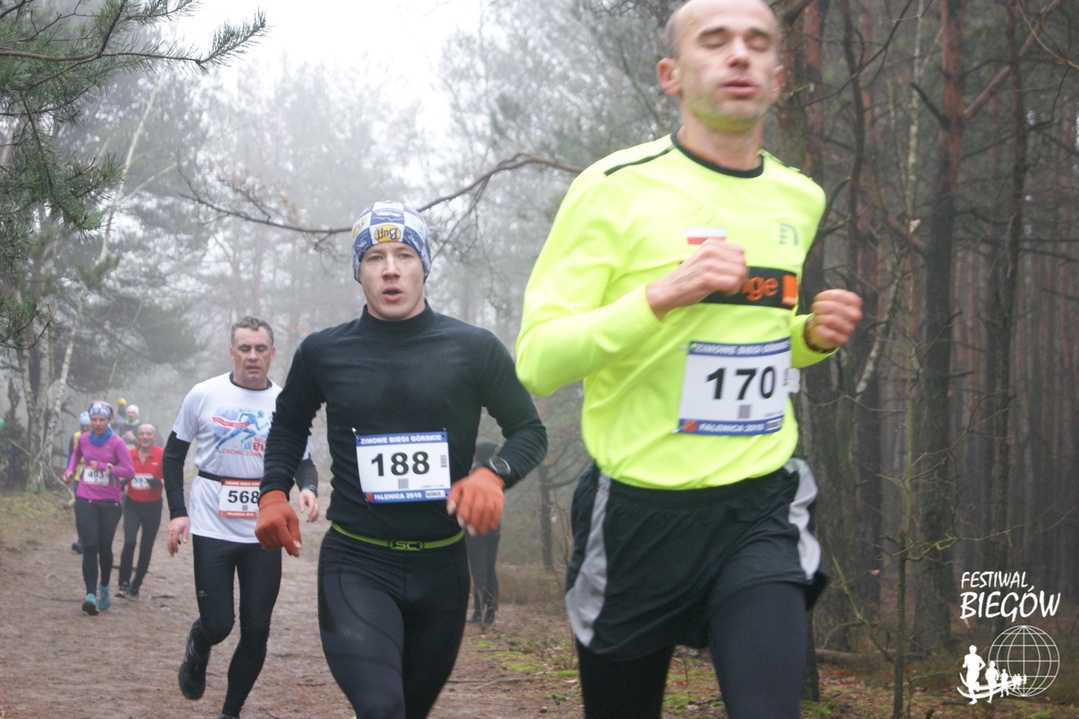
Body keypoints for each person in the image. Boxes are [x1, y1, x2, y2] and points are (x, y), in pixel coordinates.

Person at [514, 1, 864, 717]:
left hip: (758, 503)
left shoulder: (798, 198)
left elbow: (749, 336)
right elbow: (539, 360)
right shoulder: (613, 188)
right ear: (670, 75)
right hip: (637, 515)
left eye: (757, 42)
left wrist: (808, 337)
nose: (738, 55)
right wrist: (659, 295)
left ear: (777, 77)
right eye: (715, 40)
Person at [256, 200, 547, 719]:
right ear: (359, 271)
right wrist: (273, 491)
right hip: (357, 563)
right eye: (375, 257)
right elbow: (288, 424)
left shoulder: (473, 348)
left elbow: (528, 430)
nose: (390, 269)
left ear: (423, 266)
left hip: (443, 568)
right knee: (381, 708)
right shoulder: (323, 352)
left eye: (404, 255)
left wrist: (493, 475)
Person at [163, 316, 320, 719]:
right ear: (232, 352)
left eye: (260, 348)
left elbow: (304, 462)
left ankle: (230, 712)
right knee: (219, 624)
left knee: (257, 629)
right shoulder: (203, 394)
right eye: (245, 348)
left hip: (264, 525)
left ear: (272, 354)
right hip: (212, 522)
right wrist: (178, 513)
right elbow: (173, 455)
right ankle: (199, 644)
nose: (253, 356)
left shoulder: (287, 402)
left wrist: (308, 488)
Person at [63, 401, 136, 615]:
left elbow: (129, 472)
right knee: (90, 545)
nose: (96, 423)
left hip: (109, 502)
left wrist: (105, 467)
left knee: (104, 547)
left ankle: (104, 586)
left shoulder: (117, 442)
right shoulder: (84, 439)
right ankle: (90, 594)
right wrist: (69, 471)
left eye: (101, 420)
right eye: (93, 419)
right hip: (85, 496)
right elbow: (76, 454)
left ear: (109, 419)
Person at [116, 423, 164, 600]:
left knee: (146, 546)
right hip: (132, 504)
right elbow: (122, 473)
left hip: (153, 506)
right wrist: (122, 483)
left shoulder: (162, 454)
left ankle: (136, 585)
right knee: (129, 541)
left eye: (149, 434)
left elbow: (172, 476)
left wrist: (160, 482)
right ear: (137, 437)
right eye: (142, 434)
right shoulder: (129, 454)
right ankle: (123, 583)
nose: (145, 437)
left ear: (154, 437)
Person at [465, 440, 502, 628]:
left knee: (478, 570)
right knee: (489, 569)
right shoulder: (497, 473)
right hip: (494, 527)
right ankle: (490, 612)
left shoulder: (475, 474)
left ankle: (479, 612)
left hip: (476, 527)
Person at [67, 411, 92, 554]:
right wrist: (68, 471)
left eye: (88, 426)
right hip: (78, 477)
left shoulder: (99, 437)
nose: (85, 428)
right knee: (80, 510)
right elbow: (71, 455)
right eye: (83, 426)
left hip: (94, 480)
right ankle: (81, 541)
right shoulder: (75, 437)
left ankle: (92, 540)